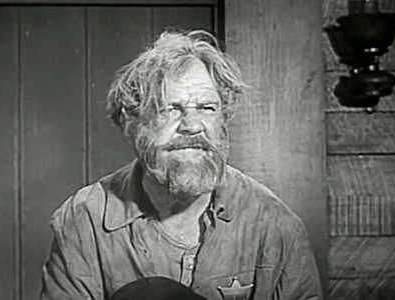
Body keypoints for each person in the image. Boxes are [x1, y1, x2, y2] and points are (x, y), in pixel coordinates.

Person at [40, 30, 322, 300]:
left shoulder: (273, 225)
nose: (192, 126)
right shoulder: (85, 220)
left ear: (224, 122)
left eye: (207, 108)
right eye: (170, 109)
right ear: (131, 124)